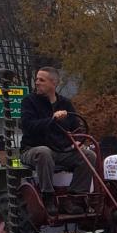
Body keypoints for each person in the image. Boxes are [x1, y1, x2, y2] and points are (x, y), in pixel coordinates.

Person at [20, 64, 97, 218]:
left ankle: (75, 198)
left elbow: (76, 127)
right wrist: (52, 119)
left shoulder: (65, 104)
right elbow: (28, 126)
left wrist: (79, 140)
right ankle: (47, 197)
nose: (37, 82)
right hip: (32, 149)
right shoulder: (29, 102)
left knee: (89, 156)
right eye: (36, 79)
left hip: (61, 150)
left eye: (41, 80)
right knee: (44, 152)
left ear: (54, 83)